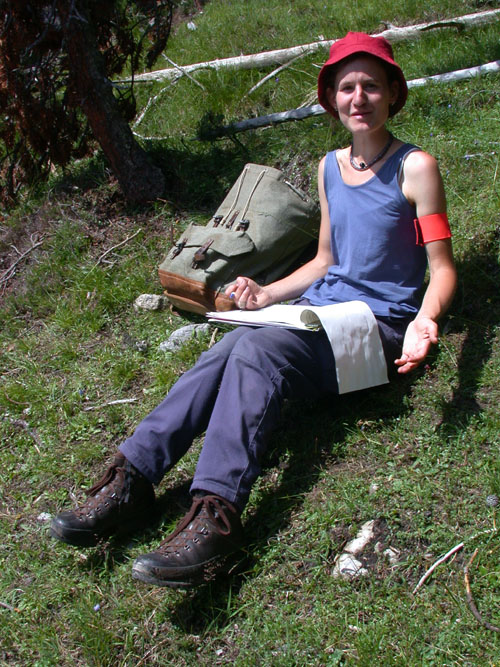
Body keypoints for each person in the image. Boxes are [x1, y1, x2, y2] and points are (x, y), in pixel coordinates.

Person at [50, 31, 457, 589]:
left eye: (371, 86)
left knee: (258, 350)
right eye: (346, 88)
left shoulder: (416, 167)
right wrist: (268, 295)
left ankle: (215, 514)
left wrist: (424, 319)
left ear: (392, 93)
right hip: (318, 316)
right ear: (331, 99)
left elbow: (443, 268)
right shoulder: (330, 168)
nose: (359, 98)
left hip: (376, 330)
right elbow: (325, 260)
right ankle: (132, 479)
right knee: (232, 344)